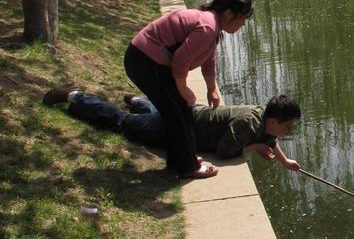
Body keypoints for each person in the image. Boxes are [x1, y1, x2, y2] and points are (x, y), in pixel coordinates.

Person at [124, 0, 254, 179]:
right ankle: (187, 167)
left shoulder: (213, 26)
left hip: (149, 60)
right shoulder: (208, 27)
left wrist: (212, 90)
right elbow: (180, 60)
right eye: (242, 19)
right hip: (145, 61)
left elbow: (209, 60)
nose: (243, 24)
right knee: (178, 110)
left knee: (178, 111)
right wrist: (183, 88)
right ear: (229, 14)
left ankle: (181, 159)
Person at [41, 85, 301, 168]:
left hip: (190, 115)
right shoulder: (248, 124)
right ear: (273, 121)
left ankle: (141, 102)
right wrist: (253, 147)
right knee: (123, 123)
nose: (288, 131)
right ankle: (76, 97)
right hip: (177, 127)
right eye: (287, 126)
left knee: (152, 115)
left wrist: (285, 160)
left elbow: (270, 138)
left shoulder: (265, 119)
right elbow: (224, 150)